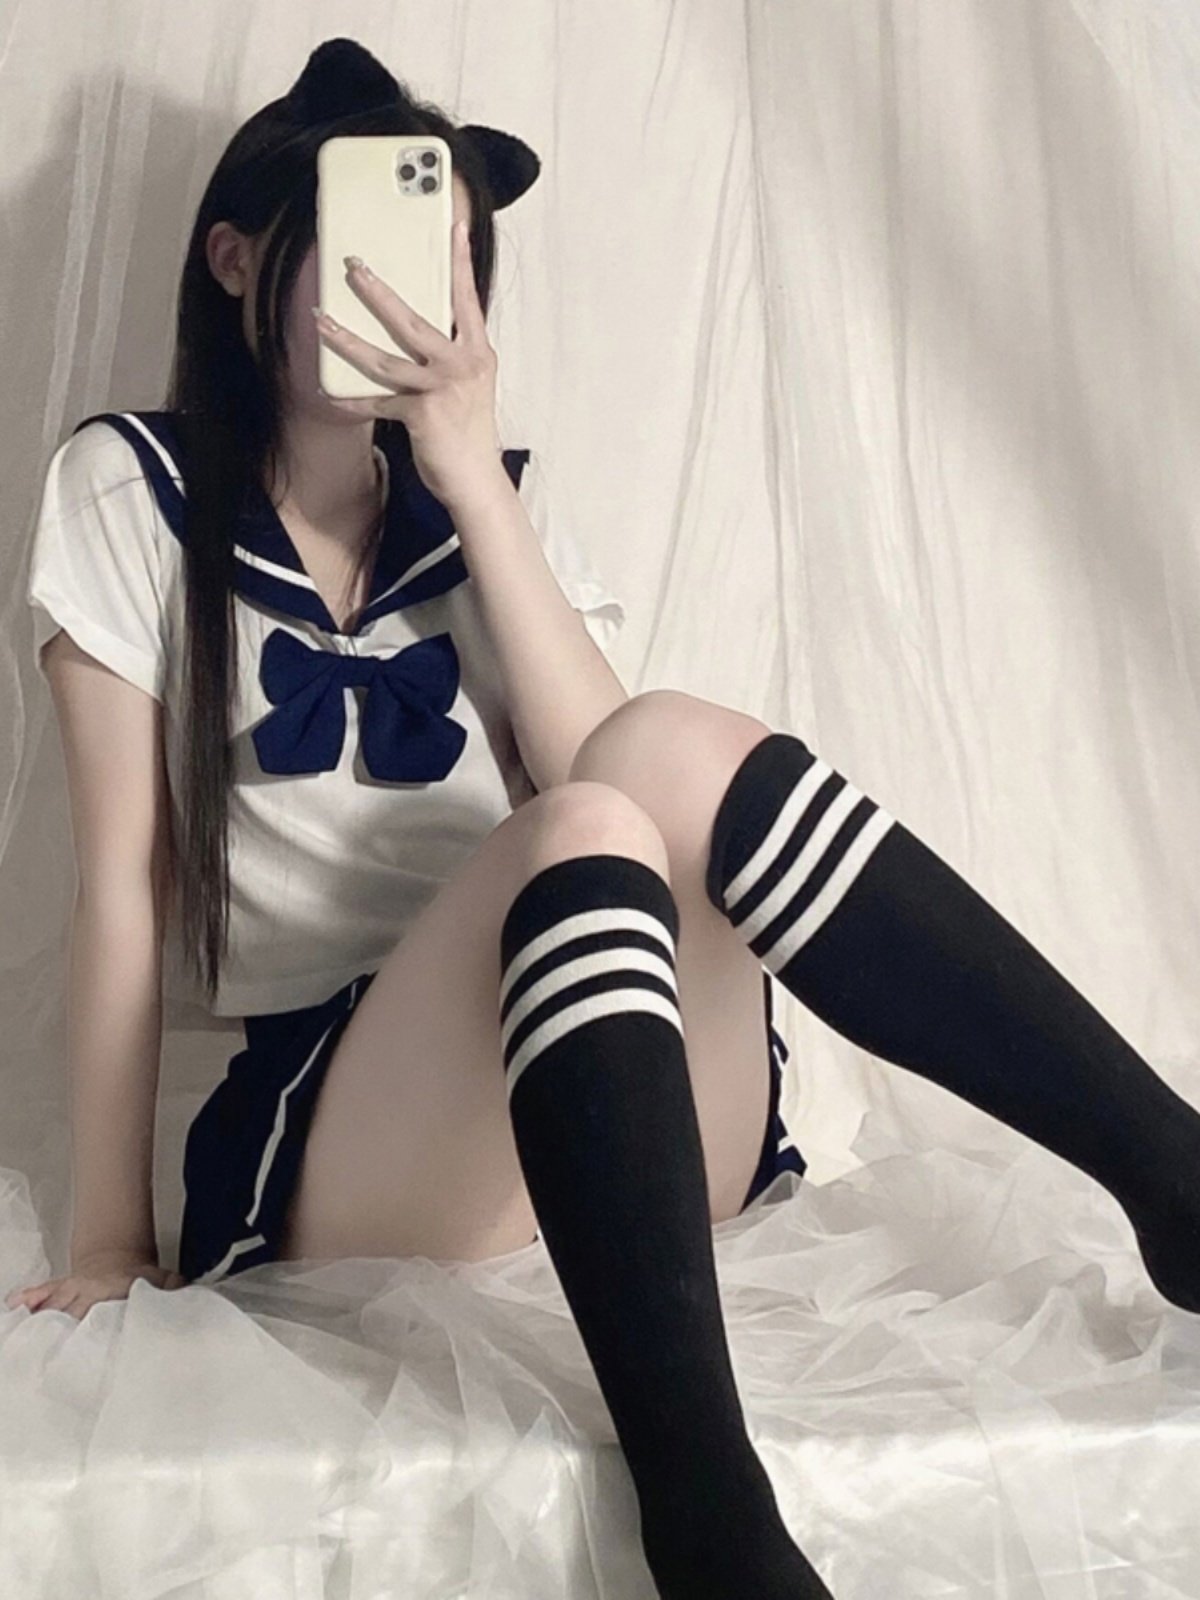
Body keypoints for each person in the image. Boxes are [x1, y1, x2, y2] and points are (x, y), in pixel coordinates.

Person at [8, 35, 1200, 1600]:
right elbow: (122, 882)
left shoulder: (485, 502)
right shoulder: (129, 486)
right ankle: (710, 1513)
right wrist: (109, 1236)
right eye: (360, 245)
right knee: (580, 830)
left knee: (658, 747)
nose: (403, 296)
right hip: (361, 1135)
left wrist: (472, 483)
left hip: (621, 1092)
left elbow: (616, 777)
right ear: (237, 261)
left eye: (443, 262)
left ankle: (1175, 1182)